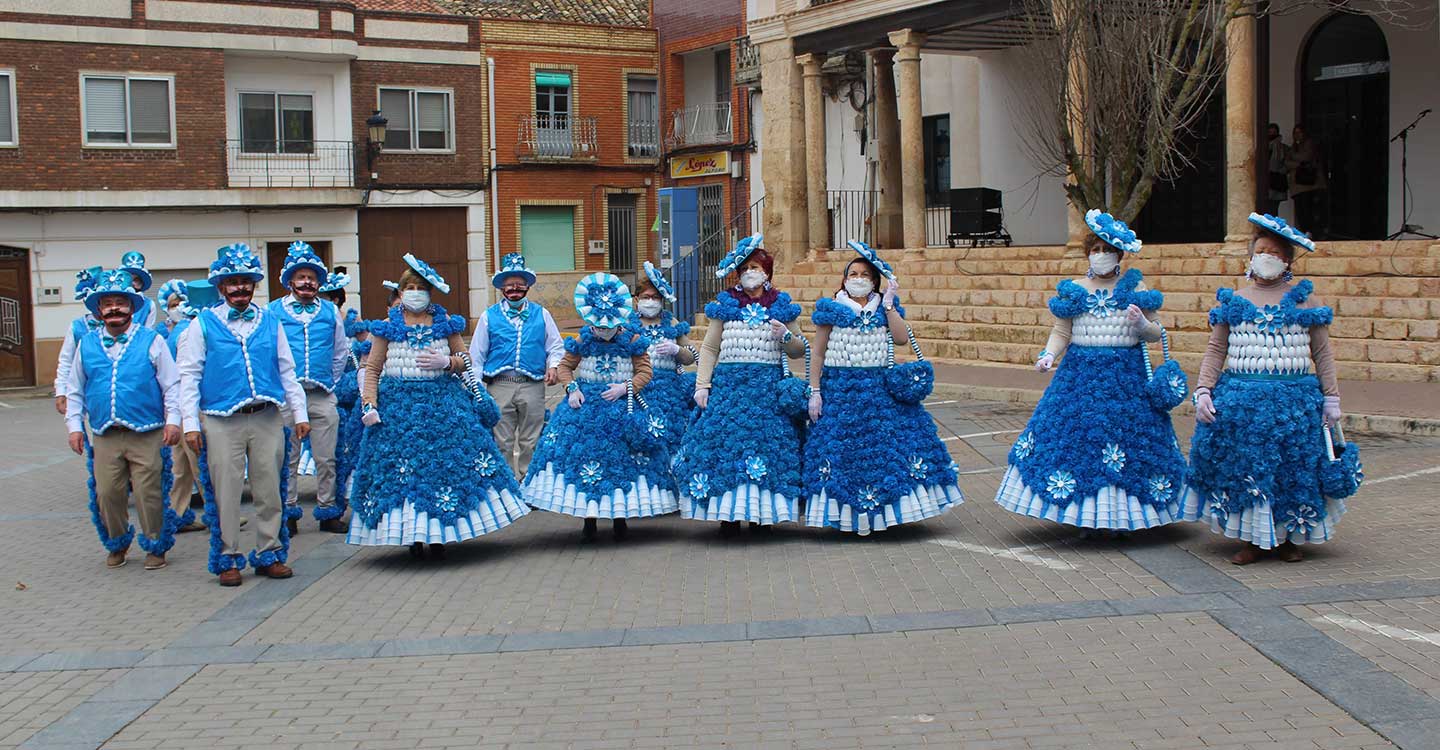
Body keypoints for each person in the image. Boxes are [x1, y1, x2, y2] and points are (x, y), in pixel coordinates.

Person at [1182, 213, 1361, 564]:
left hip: (1293, 405)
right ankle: (1252, 541)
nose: (1267, 257)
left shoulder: (1305, 302)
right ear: (1250, 257)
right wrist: (1204, 389)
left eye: (1276, 252)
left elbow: (1321, 352)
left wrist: (1332, 397)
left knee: (1292, 471)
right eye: (1262, 250)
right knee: (1249, 470)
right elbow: (1216, 349)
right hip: (1242, 405)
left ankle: (1288, 539)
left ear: (1288, 262)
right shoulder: (1233, 301)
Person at [994, 210, 1187, 533]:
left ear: (1119, 254)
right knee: (1078, 442)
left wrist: (1142, 324)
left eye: (1107, 249)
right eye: (1095, 249)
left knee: (1124, 442)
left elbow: (1157, 334)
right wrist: (1048, 355)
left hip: (1126, 380)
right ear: (1087, 254)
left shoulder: (1135, 286)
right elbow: (1062, 332)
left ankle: (1123, 517)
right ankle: (1085, 516)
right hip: (1079, 377)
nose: (1101, 255)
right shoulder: (1074, 289)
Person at [349, 254, 528, 557]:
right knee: (404, 474)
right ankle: (413, 539)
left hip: (443, 406)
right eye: (410, 287)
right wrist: (369, 403)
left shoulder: (446, 324)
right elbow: (373, 369)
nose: (415, 292)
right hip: (398, 411)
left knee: (443, 471)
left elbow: (467, 362)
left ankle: (441, 535)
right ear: (401, 292)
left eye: (421, 287)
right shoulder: (384, 327)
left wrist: (447, 362)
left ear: (430, 291)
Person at [804, 241, 963, 535]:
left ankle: (889, 513)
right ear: (844, 278)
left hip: (880, 392)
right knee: (843, 452)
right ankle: (847, 515)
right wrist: (815, 390)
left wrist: (890, 304)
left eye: (865, 274)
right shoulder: (831, 309)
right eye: (853, 273)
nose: (858, 279)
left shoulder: (883, 308)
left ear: (875, 280)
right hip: (841, 391)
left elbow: (902, 339)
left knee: (887, 450)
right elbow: (818, 353)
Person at [178, 243, 310, 587]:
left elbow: (287, 369)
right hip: (221, 419)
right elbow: (188, 376)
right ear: (221, 287)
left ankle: (270, 552)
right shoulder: (202, 325)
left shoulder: (270, 321)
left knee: (270, 488)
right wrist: (190, 424)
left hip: (267, 415)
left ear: (254, 285)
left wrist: (299, 413)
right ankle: (228, 557)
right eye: (232, 282)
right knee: (226, 491)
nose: (240, 288)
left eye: (246, 282)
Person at [523, 273, 675, 542]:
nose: (602, 331)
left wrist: (626, 387)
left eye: (607, 327)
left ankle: (620, 520)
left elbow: (645, 372)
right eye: (597, 326)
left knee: (622, 462)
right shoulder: (582, 341)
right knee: (584, 461)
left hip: (621, 406)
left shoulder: (632, 341)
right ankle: (589, 520)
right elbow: (565, 367)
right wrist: (571, 388)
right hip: (585, 409)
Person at [674, 235, 808, 534]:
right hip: (729, 391)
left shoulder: (781, 306)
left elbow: (800, 350)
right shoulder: (726, 306)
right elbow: (709, 349)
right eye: (746, 267)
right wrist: (702, 385)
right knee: (726, 448)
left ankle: (763, 515)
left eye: (756, 267)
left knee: (767, 449)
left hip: (767, 393)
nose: (751, 272)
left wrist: (785, 336)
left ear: (767, 272)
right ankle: (728, 514)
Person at [64, 269, 182, 570]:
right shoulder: (87, 344)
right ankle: (117, 541)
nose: (114, 308)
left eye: (120, 302)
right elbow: (75, 389)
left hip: (147, 431)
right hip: (105, 433)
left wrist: (173, 421)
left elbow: (171, 384)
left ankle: (156, 544)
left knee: (149, 492)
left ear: (132, 307)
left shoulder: (151, 340)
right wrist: (75, 427)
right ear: (99, 310)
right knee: (107, 492)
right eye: (107, 303)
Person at [267, 242, 349, 534]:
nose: (306, 282)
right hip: (287, 397)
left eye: (312, 278)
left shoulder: (330, 312)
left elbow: (341, 352)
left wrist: (329, 380)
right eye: (300, 277)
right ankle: (288, 512)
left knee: (327, 457)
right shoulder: (272, 311)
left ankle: (328, 510)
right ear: (290, 281)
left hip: (321, 394)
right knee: (286, 457)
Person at [468, 253, 565, 476]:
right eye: (509, 284)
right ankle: (507, 483)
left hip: (532, 384)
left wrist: (553, 366)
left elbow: (556, 346)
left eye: (519, 284)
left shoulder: (542, 314)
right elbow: (477, 355)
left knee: (532, 438)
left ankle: (528, 480)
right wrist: (477, 388)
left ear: (527, 287)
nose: (514, 289)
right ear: (502, 287)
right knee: (502, 438)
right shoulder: (488, 316)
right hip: (499, 385)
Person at [153, 278, 210, 533]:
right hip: (190, 405)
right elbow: (187, 373)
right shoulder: (189, 331)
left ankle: (176, 514)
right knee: (199, 463)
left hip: (176, 406)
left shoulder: (179, 330)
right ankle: (217, 512)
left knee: (181, 468)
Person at [623, 261, 698, 450]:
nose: (651, 301)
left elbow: (690, 357)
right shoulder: (626, 324)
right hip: (638, 390)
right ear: (636, 299)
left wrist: (676, 351)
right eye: (646, 297)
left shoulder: (671, 322)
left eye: (655, 297)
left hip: (669, 390)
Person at [54, 266, 102, 416]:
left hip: (113, 389)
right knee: (81, 432)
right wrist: (61, 391)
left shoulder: (125, 324)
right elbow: (66, 360)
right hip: (83, 387)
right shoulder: (77, 327)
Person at [1287, 125, 1328, 238]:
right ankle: (1305, 232)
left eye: (1300, 132)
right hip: (1297, 186)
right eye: (1295, 132)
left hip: (1309, 185)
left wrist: (1294, 160)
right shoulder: (1293, 147)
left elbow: (1306, 157)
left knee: (1308, 210)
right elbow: (1286, 162)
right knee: (1301, 211)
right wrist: (1299, 164)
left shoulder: (1309, 144)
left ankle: (1313, 232)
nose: (1297, 135)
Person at [118, 251, 157, 328]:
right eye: (128, 279)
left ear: (141, 283)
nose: (132, 283)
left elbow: (148, 330)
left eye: (136, 280)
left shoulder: (149, 305)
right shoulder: (114, 301)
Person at [1264, 123, 1290, 217]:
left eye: (1274, 132)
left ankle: (1273, 230)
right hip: (1266, 181)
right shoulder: (1262, 147)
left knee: (1273, 209)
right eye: (1270, 132)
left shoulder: (1284, 148)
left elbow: (1288, 163)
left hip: (1277, 181)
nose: (1272, 134)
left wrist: (1282, 170)